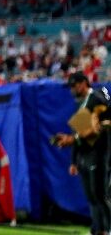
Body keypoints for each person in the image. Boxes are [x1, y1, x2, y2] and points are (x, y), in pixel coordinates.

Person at [54, 72, 110, 235]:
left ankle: (108, 228)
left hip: (99, 154)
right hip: (85, 156)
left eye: (74, 85)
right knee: (92, 196)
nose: (72, 90)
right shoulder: (82, 105)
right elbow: (79, 134)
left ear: (84, 83)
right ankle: (97, 229)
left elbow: (96, 129)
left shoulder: (98, 98)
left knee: (100, 195)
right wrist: (73, 159)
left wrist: (73, 139)